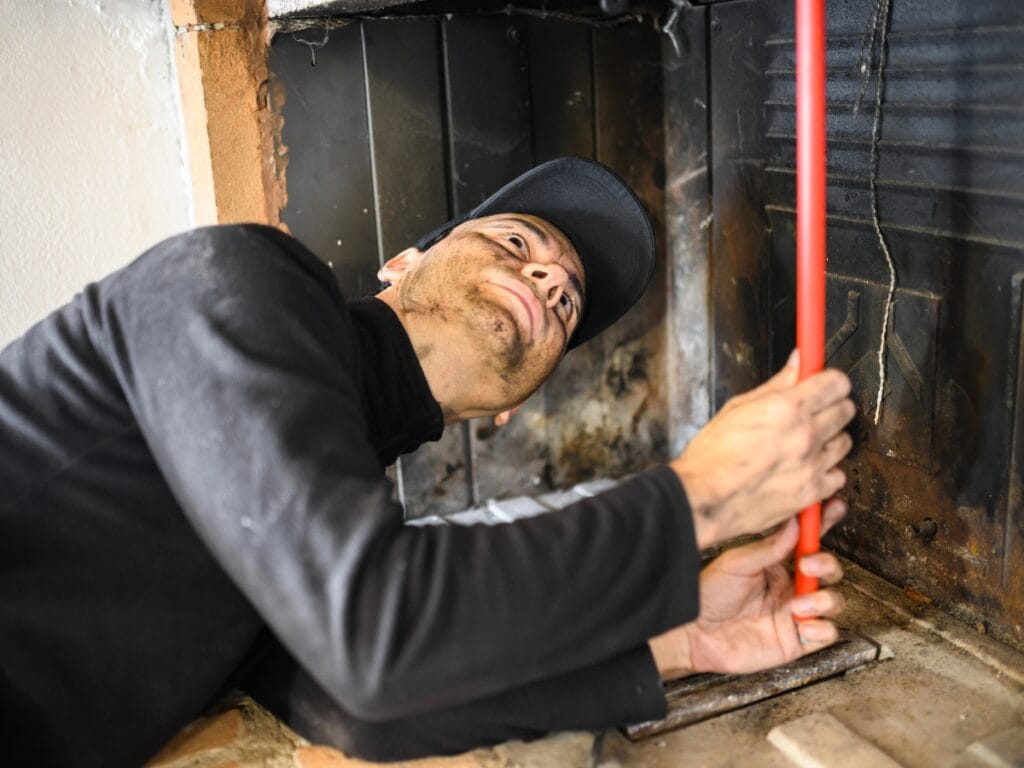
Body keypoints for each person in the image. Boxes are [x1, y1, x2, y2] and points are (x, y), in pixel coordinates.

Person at [0, 157, 854, 766]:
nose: (549, 276)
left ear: (513, 403)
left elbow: (363, 703)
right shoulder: (239, 280)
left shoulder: (319, 507)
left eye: (565, 301)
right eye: (520, 241)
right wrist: (698, 499)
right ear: (403, 263)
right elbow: (375, 635)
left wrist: (679, 638)